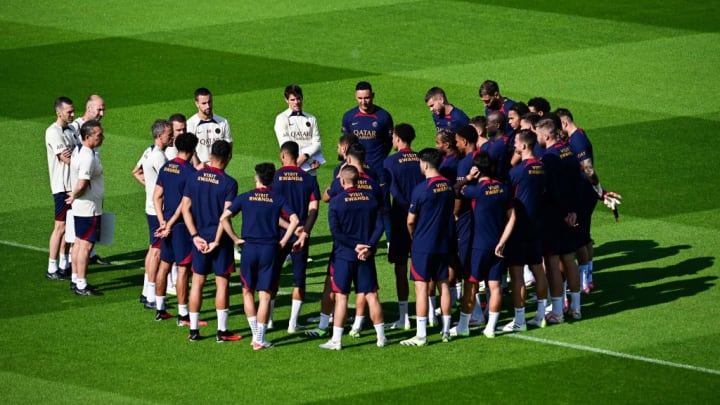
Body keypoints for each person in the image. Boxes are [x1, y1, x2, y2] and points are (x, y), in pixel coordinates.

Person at [220, 163, 300, 350]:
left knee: (247, 291)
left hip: (249, 248)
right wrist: (283, 241)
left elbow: (224, 218)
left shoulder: (245, 197)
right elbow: (294, 220)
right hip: (269, 249)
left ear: (256, 177)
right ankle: (259, 338)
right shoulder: (278, 198)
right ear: (272, 179)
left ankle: (255, 334)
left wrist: (235, 239)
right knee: (265, 295)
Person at [319, 165, 387, 350]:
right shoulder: (371, 200)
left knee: (341, 297)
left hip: (344, 255)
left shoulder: (337, 201)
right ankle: (381, 338)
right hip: (366, 255)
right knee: (372, 295)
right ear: (358, 180)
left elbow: (336, 232)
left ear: (342, 181)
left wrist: (353, 245)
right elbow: (380, 226)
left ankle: (336, 341)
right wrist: (369, 246)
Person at [181, 140, 241, 342]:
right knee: (222, 284)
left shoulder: (194, 177)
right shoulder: (229, 183)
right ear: (228, 157)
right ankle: (222, 331)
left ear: (211, 155)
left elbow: (185, 209)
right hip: (220, 241)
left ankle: (194, 330)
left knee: (197, 282)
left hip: (199, 238)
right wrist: (216, 241)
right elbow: (225, 216)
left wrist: (195, 236)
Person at [556, 108, 622, 292]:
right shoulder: (577, 137)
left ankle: (585, 281)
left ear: (564, 123)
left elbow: (589, 170)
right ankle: (588, 278)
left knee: (580, 238)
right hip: (584, 192)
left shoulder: (578, 141)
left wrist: (600, 191)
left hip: (583, 195)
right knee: (584, 237)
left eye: (557, 126)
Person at [452, 151, 515, 337]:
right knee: (495, 287)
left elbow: (455, 189)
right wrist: (502, 242)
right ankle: (491, 328)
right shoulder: (503, 188)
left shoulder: (476, 190)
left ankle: (463, 326)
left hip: (478, 245)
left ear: (477, 170)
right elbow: (512, 218)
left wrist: (468, 178)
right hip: (498, 245)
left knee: (471, 285)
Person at [401, 148, 455, 346]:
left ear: (424, 164)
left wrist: (414, 237)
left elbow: (410, 220)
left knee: (421, 288)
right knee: (443, 284)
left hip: (423, 244)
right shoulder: (448, 185)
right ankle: (446, 330)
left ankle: (421, 335)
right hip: (444, 242)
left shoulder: (421, 189)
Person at [500, 129, 550, 333]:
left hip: (519, 227)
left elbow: (507, 198)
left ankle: (519, 319)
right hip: (537, 225)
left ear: (524, 146)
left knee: (517, 273)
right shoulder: (542, 167)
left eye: (516, 143)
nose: (514, 146)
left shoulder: (517, 172)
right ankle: (540, 315)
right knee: (538, 269)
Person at [535, 118, 584, 322]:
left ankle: (556, 311)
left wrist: (564, 211)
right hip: (571, 213)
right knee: (569, 259)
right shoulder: (569, 151)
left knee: (553, 262)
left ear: (546, 135)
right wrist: (574, 210)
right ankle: (576, 308)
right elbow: (578, 183)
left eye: (538, 133)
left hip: (555, 216)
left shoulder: (549, 158)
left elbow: (552, 190)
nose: (537, 137)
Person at [153, 133, 204, 325]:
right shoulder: (191, 173)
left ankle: (160, 309)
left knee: (165, 265)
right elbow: (185, 205)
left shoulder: (167, 166)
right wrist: (171, 224)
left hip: (166, 222)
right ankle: (183, 316)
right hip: (181, 226)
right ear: (193, 150)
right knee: (183, 269)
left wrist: (162, 222)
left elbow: (157, 196)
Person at [271, 141, 320, 333]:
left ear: (283, 155)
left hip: (279, 234)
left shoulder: (274, 177)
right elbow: (314, 209)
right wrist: (303, 230)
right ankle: (293, 324)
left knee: (272, 276)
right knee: (299, 279)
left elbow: (271, 209)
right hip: (301, 237)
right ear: (296, 154)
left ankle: (269, 320)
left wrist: (290, 228)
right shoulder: (308, 178)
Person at [382, 123, 425, 330]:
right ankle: (429, 315)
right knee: (422, 266)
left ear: (398, 139)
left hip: (400, 218)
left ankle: (404, 317)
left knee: (400, 267)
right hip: (422, 218)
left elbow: (394, 192)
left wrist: (406, 208)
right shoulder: (421, 159)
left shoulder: (389, 162)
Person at [132, 120, 172, 310]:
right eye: (169, 134)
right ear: (159, 136)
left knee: (152, 248)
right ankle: (151, 296)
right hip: (159, 210)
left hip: (150, 206)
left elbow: (136, 172)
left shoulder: (148, 151)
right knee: (157, 251)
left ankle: (146, 291)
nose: (171, 136)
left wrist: (149, 187)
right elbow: (169, 184)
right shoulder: (159, 157)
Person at [66, 120, 105, 296]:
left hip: (83, 206)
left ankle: (75, 279)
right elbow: (83, 182)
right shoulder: (88, 155)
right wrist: (74, 195)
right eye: (98, 135)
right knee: (85, 246)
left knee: (78, 243)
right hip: (89, 207)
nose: (102, 137)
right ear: (88, 136)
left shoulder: (80, 150)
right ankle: (81, 284)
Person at [70, 94, 109, 266]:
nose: (102, 112)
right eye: (99, 109)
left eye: (103, 109)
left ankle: (78, 271)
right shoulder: (76, 129)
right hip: (83, 195)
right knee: (80, 240)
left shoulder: (92, 139)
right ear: (89, 108)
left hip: (88, 193)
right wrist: (73, 193)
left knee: (83, 239)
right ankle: (75, 273)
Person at [45, 97, 78, 281]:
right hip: (62, 186)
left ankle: (64, 263)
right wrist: (77, 159)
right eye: (69, 112)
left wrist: (74, 154)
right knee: (60, 226)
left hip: (72, 186)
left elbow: (76, 153)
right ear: (59, 113)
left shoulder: (72, 129)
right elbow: (66, 158)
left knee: (70, 227)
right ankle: (51, 266)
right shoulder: (52, 132)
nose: (73, 114)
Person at [341, 81, 394, 175]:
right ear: (355, 96)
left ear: (373, 95)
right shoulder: (348, 117)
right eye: (360, 98)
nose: (363, 102)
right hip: (356, 167)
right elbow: (347, 142)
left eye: (367, 98)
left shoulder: (384, 116)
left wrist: (380, 157)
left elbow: (389, 142)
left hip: (378, 167)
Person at [274, 84, 323, 175]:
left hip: (310, 170)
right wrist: (299, 160)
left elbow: (317, 143)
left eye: (298, 98)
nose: (296, 102)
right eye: (292, 100)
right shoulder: (281, 118)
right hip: (293, 168)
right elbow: (286, 144)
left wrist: (305, 156)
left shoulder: (311, 118)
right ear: (286, 100)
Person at [186, 87, 232, 167]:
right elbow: (190, 151)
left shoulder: (223, 122)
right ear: (197, 104)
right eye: (204, 103)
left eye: (209, 102)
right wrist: (198, 167)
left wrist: (220, 168)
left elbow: (229, 149)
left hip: (218, 169)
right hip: (199, 170)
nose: (208, 106)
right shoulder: (190, 124)